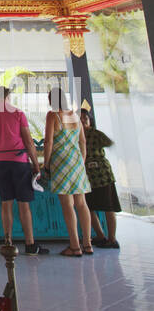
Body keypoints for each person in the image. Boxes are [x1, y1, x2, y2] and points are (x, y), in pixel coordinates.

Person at [0, 85, 49, 254]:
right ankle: (30, 244)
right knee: (24, 205)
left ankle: (8, 241)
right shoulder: (18, 113)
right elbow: (28, 141)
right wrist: (35, 164)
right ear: (8, 97)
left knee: (6, 203)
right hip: (19, 162)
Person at [42, 86, 92, 257]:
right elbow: (82, 142)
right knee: (82, 203)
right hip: (77, 162)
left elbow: (48, 142)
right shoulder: (75, 116)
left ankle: (75, 246)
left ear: (51, 101)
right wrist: (82, 161)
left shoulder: (53, 115)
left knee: (68, 205)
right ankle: (88, 244)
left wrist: (46, 164)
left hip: (61, 163)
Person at [81, 109, 121, 249]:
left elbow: (110, 143)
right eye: (80, 118)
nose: (83, 121)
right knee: (88, 207)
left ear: (89, 120)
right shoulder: (78, 135)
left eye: (85, 118)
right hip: (88, 176)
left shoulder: (95, 134)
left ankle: (112, 238)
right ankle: (100, 236)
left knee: (107, 207)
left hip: (102, 175)